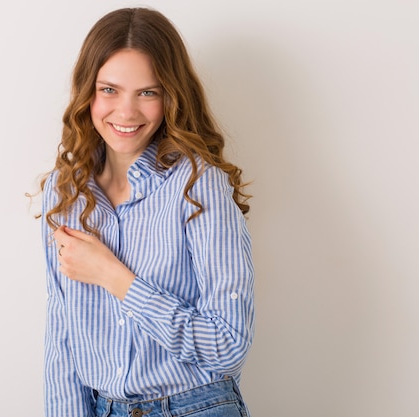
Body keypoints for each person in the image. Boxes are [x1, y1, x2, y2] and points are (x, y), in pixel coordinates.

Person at [40, 7, 254, 417]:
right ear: (88, 92)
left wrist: (114, 277)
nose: (126, 112)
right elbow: (61, 342)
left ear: (171, 96)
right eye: (109, 90)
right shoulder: (63, 192)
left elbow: (228, 346)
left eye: (147, 92)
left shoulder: (198, 185)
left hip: (196, 406)